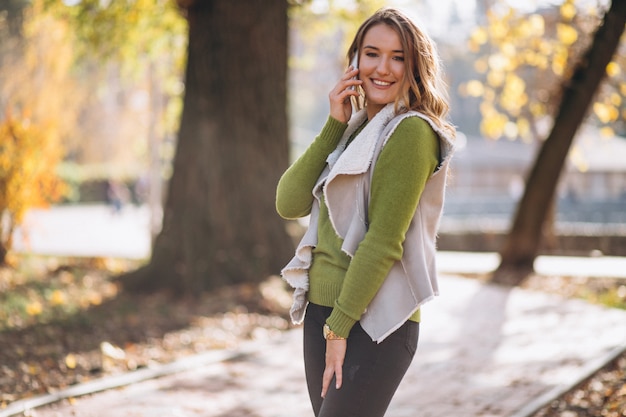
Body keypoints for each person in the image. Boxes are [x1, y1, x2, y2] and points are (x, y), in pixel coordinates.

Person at [276, 7, 455, 417]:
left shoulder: (411, 131)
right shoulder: (354, 130)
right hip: (325, 310)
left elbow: (382, 241)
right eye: (372, 53)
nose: (383, 68)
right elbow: (289, 203)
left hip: (374, 322)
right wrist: (333, 125)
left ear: (415, 66)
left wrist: (339, 327)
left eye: (398, 57)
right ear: (355, 60)